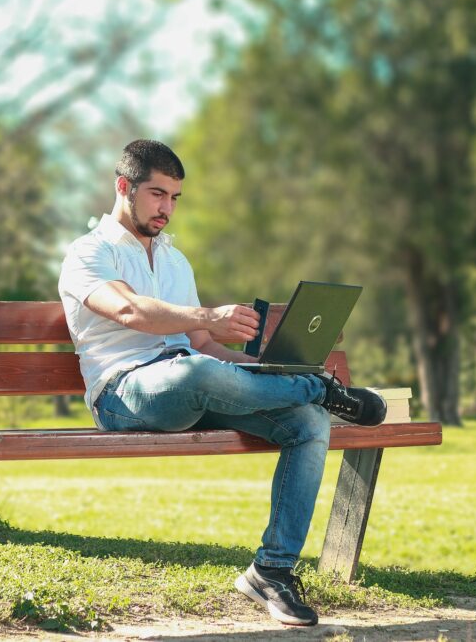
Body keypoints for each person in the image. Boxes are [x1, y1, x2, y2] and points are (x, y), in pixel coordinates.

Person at [58, 139, 386, 626]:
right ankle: (321, 386)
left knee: (307, 421)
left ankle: (271, 570)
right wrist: (209, 316)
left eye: (174, 198)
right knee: (199, 372)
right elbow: (128, 310)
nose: (167, 208)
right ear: (123, 187)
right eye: (157, 194)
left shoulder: (174, 261)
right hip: (124, 393)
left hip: (194, 382)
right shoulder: (89, 253)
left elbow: (205, 349)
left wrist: (262, 367)